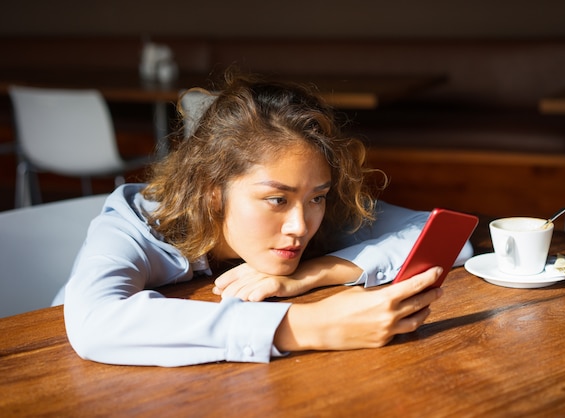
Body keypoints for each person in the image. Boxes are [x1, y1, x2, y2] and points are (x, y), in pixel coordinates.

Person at [62, 72, 473, 367]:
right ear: (212, 190)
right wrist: (308, 325)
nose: (300, 226)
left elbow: (445, 235)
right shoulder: (137, 224)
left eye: (318, 197)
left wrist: (314, 273)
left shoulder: (315, 213)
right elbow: (94, 323)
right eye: (276, 199)